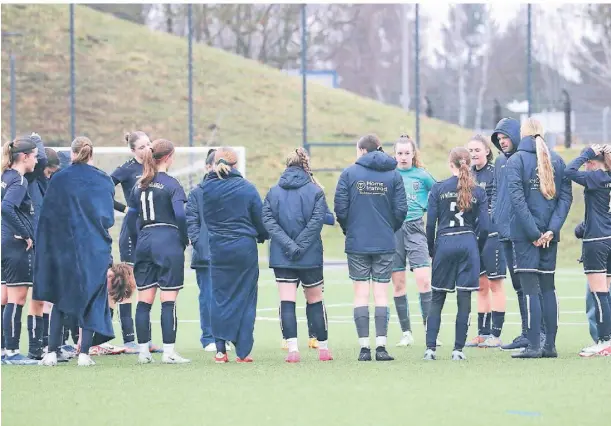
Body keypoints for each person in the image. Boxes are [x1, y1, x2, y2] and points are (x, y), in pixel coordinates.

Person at [35, 137, 116, 367]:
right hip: (94, 247)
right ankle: (84, 354)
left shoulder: (59, 179)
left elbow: (48, 217)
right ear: (91, 154)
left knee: (61, 297)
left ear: (71, 154)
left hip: (65, 247)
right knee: (92, 298)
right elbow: (108, 218)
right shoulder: (103, 180)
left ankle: (51, 352)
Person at [334, 134, 408, 362]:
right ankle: (381, 347)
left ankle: (364, 348)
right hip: (385, 241)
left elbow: (340, 209)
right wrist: (388, 229)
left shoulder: (349, 173)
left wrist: (350, 229)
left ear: (362, 151)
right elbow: (401, 210)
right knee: (381, 294)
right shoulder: (393, 175)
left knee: (360, 294)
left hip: (357, 242)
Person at [505, 118, 572, 359]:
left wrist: (534, 233)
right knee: (548, 288)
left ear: (522, 134)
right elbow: (565, 199)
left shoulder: (516, 161)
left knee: (531, 290)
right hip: (549, 236)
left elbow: (517, 200)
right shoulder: (558, 159)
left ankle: (533, 346)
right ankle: (550, 346)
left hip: (526, 237)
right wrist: (551, 231)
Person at [263, 147, 333, 363]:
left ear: (286, 165)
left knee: (287, 301)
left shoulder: (273, 192)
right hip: (309, 254)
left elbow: (268, 222)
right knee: (315, 300)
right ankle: (323, 348)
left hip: (283, 255)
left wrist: (289, 245)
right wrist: (300, 245)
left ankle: (293, 349)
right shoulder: (315, 191)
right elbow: (317, 222)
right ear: (305, 165)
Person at [201, 147, 269, 363]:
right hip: (244, 248)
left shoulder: (205, 189)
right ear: (236, 165)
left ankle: (220, 351)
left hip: (218, 249)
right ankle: (243, 351)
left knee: (219, 297)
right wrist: (261, 236)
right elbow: (261, 220)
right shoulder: (247, 188)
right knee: (246, 298)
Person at [125, 138, 190, 364]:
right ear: (169, 157)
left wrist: (138, 240)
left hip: (144, 241)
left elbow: (131, 217)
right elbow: (181, 215)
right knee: (168, 299)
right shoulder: (172, 184)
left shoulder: (139, 184)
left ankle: (143, 352)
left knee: (144, 301)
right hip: (167, 240)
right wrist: (183, 238)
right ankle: (169, 352)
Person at [424, 147, 488, 361]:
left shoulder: (438, 188)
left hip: (444, 243)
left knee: (437, 297)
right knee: (464, 298)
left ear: (450, 164)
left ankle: (430, 349)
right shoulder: (478, 191)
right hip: (467, 243)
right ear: (468, 165)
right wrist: (476, 247)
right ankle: (458, 350)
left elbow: (430, 224)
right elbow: (486, 227)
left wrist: (432, 250)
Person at [110, 131, 161, 355]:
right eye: (141, 146)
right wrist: (125, 209)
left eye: (148, 144)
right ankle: (129, 339)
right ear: (132, 150)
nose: (146, 149)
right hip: (132, 233)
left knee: (149, 284)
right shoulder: (126, 169)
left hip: (150, 232)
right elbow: (103, 190)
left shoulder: (156, 166)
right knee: (129, 284)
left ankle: (145, 339)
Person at [491, 118, 538, 351]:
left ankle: (535, 333)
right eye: (499, 139)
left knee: (529, 284)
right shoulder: (500, 162)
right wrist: (495, 216)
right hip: (504, 233)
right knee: (518, 286)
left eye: (505, 137)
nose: (502, 142)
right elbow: (497, 194)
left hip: (522, 233)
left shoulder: (525, 160)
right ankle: (525, 332)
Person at [391, 134, 438, 347]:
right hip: (394, 231)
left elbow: (438, 193)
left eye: (407, 153)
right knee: (398, 283)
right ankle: (406, 333)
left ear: (413, 154)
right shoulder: (389, 175)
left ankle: (430, 332)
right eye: (399, 153)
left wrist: (430, 208)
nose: (403, 157)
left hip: (416, 228)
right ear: (395, 154)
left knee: (424, 280)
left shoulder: (422, 175)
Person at [565, 145, 611, 357]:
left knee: (599, 294)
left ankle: (604, 341)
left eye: (588, 162)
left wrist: (586, 152)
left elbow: (569, 171)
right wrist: (584, 226)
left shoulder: (596, 178)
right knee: (607, 295)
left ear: (594, 162)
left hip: (597, 242)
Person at [187, 148, 232, 352]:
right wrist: (199, 243)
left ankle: (224, 336)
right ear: (208, 167)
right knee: (207, 296)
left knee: (226, 296)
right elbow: (191, 222)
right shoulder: (197, 192)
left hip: (227, 252)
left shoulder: (232, 190)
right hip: (205, 254)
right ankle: (208, 338)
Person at [1, 135, 41, 365]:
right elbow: (6, 207)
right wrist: (25, 233)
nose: (36, 161)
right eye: (34, 156)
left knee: (5, 297)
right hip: (15, 245)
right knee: (18, 298)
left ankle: (3, 350)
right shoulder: (19, 180)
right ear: (24, 157)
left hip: (4, 242)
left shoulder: (6, 176)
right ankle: (12, 352)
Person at [465, 135, 507, 348]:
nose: (473, 154)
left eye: (477, 150)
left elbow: (500, 200)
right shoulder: (468, 175)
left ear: (487, 151)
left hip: (492, 236)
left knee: (495, 284)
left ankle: (496, 334)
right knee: (480, 287)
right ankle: (482, 333)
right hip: (474, 237)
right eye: (470, 150)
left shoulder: (494, 172)